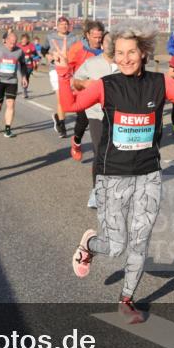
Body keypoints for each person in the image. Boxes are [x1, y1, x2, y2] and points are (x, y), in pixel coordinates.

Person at [55, 29, 174, 323]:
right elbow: (72, 105)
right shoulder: (105, 86)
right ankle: (89, 245)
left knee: (140, 241)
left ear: (143, 54)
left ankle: (126, 300)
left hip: (148, 174)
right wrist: (62, 74)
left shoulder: (159, 83)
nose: (126, 59)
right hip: (113, 176)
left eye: (131, 52)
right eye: (120, 53)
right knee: (115, 245)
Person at [72, 35, 118, 208]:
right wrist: (84, 83)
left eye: (112, 41)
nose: (109, 44)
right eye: (106, 41)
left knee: (116, 153)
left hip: (117, 115)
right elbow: (74, 82)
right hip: (96, 113)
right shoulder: (91, 63)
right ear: (102, 43)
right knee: (100, 151)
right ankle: (96, 191)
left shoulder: (123, 63)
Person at [67, 21, 106, 161]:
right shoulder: (77, 48)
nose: (98, 40)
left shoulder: (107, 48)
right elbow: (67, 69)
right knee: (83, 121)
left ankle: (104, 153)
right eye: (95, 37)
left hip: (103, 93)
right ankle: (76, 141)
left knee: (105, 121)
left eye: (100, 37)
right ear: (87, 35)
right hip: (82, 91)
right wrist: (74, 84)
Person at [0, 31, 29, 138]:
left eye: (14, 43)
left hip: (12, 81)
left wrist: (24, 76)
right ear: (5, 40)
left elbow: (23, 64)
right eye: (10, 43)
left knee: (11, 104)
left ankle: (7, 129)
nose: (12, 45)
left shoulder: (19, 51)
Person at [45, 16, 80, 138]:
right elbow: (44, 50)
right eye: (61, 24)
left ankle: (58, 117)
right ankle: (62, 125)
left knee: (70, 98)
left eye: (66, 24)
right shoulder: (50, 37)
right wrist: (47, 56)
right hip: (55, 70)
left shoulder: (74, 38)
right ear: (57, 26)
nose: (64, 26)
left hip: (70, 70)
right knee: (61, 97)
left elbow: (78, 53)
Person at [17, 33, 39, 98]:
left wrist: (32, 56)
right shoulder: (18, 45)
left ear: (27, 40)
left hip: (29, 65)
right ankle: (24, 91)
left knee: (27, 77)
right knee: (23, 76)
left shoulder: (31, 45)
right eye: (23, 39)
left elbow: (36, 54)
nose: (24, 41)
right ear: (21, 40)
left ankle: (25, 89)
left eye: (25, 40)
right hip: (20, 64)